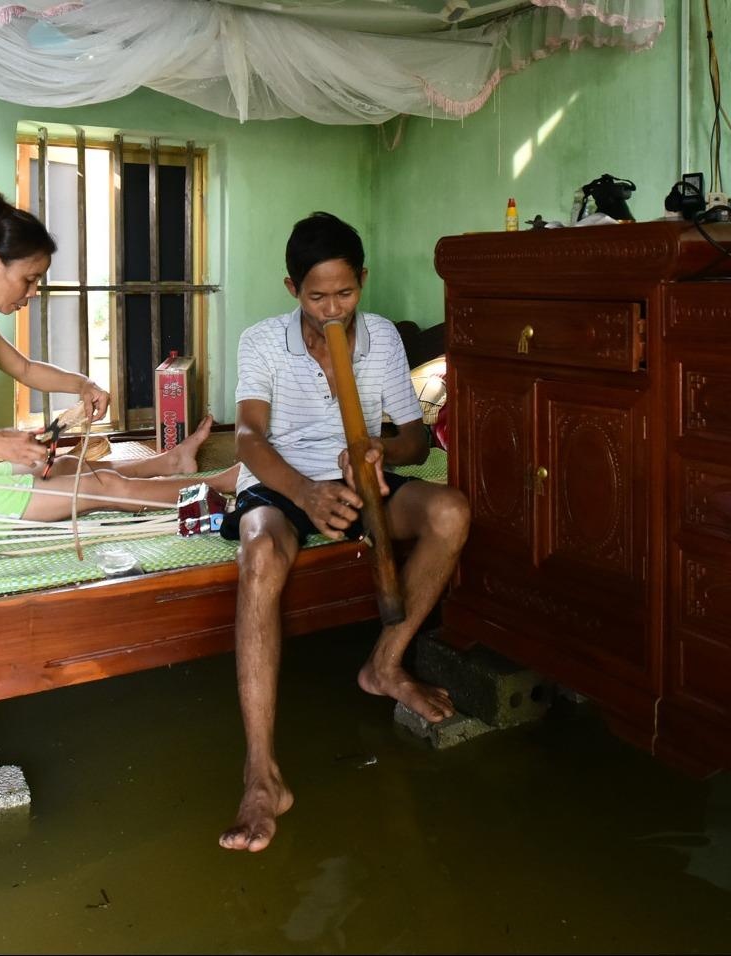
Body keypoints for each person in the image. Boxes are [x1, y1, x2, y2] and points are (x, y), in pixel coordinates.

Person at [216, 212, 471, 852]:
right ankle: (260, 774)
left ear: (363, 279)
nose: (334, 309)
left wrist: (379, 451)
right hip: (283, 481)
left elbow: (414, 439)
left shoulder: (383, 338)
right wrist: (303, 490)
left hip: (361, 477)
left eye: (346, 293)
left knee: (452, 513)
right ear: (290, 287)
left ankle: (383, 665)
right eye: (316, 296)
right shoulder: (260, 342)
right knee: (262, 554)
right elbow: (247, 437)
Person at [0, 187, 235, 542]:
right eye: (28, 279)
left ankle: (170, 463)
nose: (32, 292)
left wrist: (83, 385)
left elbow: (25, 369)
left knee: (62, 465)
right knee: (100, 487)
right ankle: (219, 485)